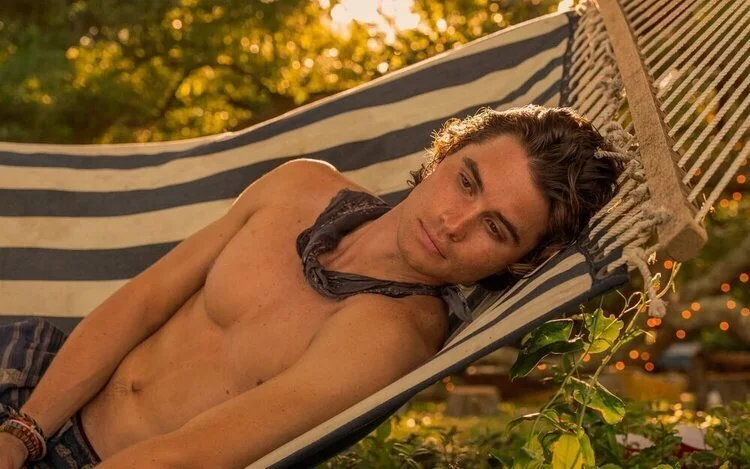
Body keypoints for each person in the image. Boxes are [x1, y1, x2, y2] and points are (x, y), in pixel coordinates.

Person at [0, 105, 623, 468]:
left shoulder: (389, 336)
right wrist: (21, 433)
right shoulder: (300, 185)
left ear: (518, 262)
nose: (453, 224)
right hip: (39, 395)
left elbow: (195, 454)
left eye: (495, 228)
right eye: (466, 181)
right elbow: (142, 302)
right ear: (444, 154)